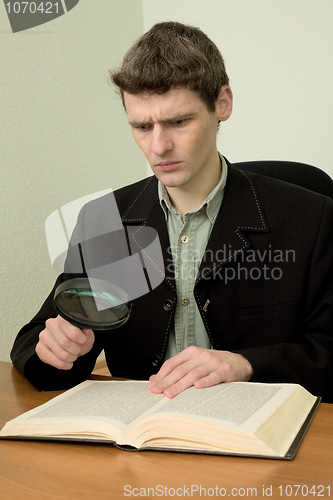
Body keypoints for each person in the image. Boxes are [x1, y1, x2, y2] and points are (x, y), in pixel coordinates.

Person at [11, 21, 333, 402]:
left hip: (256, 436)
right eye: (142, 126)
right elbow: (33, 342)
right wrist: (57, 350)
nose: (158, 146)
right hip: (138, 438)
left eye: (178, 122)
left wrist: (245, 364)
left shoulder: (311, 217)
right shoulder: (106, 219)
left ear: (222, 104)